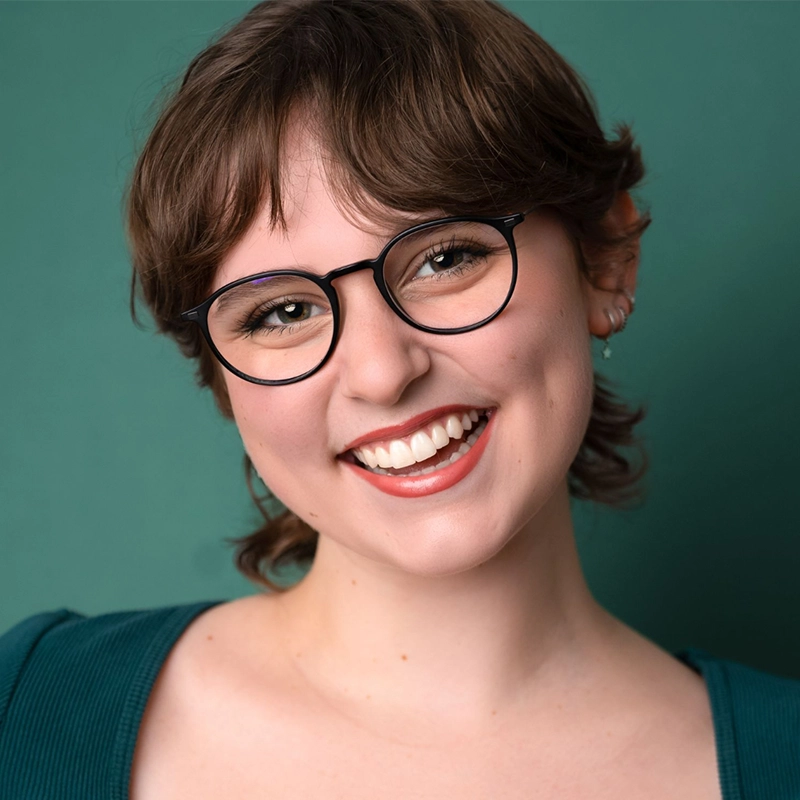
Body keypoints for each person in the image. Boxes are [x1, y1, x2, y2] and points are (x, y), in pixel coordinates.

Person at [1, 1, 798, 798]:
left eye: (445, 258)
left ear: (605, 258)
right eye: (284, 312)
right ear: (222, 375)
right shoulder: (28, 712)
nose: (382, 371)